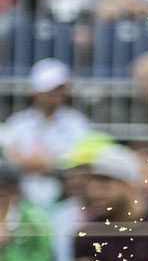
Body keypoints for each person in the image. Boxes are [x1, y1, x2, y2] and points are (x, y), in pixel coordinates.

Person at [2, 60, 91, 206]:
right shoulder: (17, 123)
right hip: (20, 201)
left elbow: (77, 161)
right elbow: (11, 160)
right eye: (52, 89)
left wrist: (28, 163)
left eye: (61, 89)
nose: (58, 94)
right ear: (36, 91)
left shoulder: (77, 122)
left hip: (63, 202)